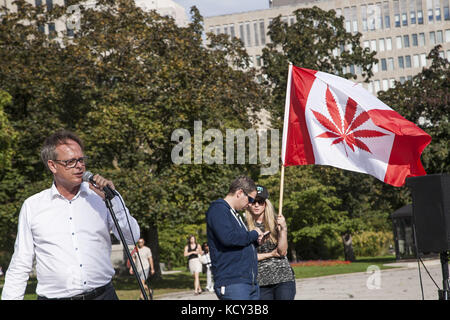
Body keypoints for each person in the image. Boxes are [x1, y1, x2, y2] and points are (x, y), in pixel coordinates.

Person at [1, 130, 140, 300]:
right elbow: (20, 263)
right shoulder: (33, 206)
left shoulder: (101, 197)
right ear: (52, 165)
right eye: (70, 162)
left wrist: (114, 200)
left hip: (103, 295)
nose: (79, 166)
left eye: (81, 160)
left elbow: (131, 238)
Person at [206, 175, 268, 300]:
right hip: (233, 282)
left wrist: (255, 242)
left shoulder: (234, 214)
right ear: (240, 193)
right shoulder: (218, 209)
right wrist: (254, 233)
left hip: (248, 281)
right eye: (250, 200)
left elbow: (239, 240)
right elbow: (228, 238)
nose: (250, 204)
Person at [245, 185, 296, 300]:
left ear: (266, 204)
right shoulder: (244, 226)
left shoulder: (276, 222)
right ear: (248, 203)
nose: (257, 205)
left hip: (283, 277)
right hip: (260, 282)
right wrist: (270, 254)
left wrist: (283, 230)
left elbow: (282, 252)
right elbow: (246, 256)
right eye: (253, 202)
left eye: (260, 201)